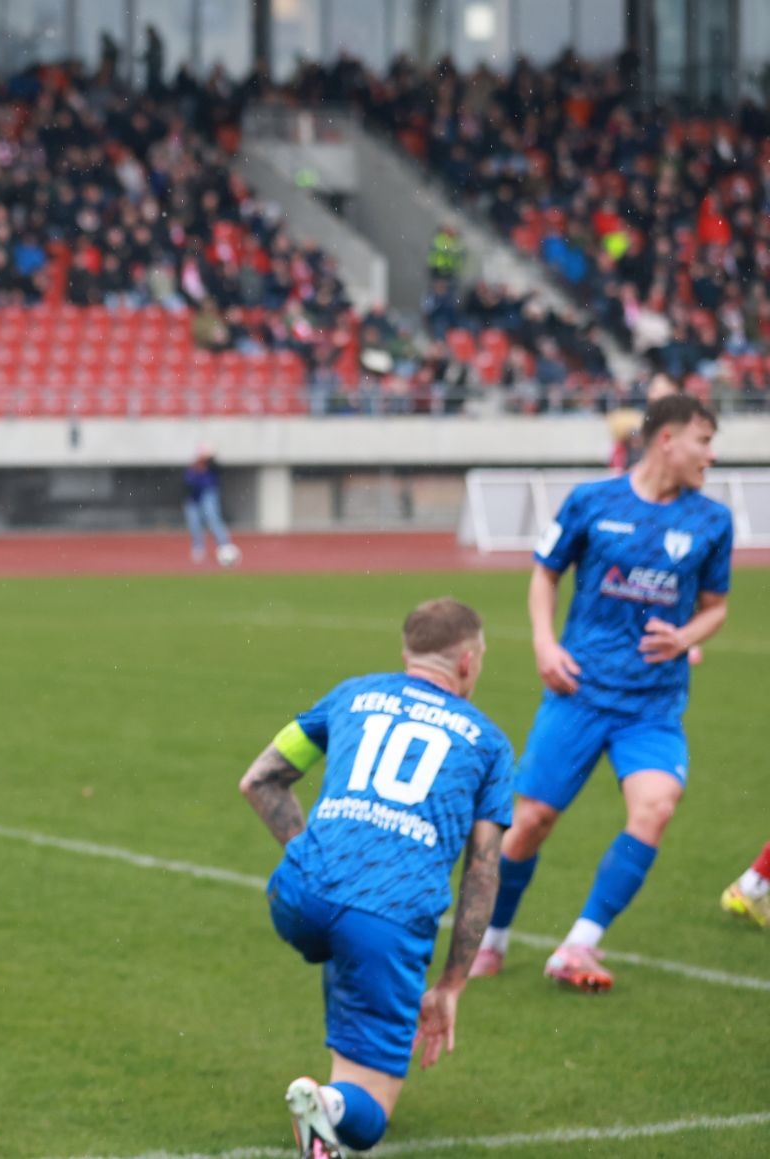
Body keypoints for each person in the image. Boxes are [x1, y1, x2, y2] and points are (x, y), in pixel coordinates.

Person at [473, 394, 732, 991]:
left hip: (653, 704)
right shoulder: (593, 501)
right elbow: (545, 571)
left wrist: (687, 634)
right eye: (703, 441)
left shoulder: (711, 521)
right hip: (580, 690)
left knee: (655, 808)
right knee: (531, 820)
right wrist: (543, 642)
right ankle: (493, 938)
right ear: (667, 439)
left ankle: (577, 946)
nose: (711, 457)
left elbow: (716, 608)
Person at [239, 598, 511, 1159]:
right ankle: (334, 1108)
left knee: (344, 935)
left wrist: (317, 859)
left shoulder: (352, 694)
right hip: (385, 919)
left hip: (296, 893)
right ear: (466, 662)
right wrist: (452, 984)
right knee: (370, 1114)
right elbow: (482, 871)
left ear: (406, 655)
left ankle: (325, 1114)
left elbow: (260, 780)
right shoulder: (489, 744)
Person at [184, 445, 238, 565]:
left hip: (208, 495)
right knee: (194, 524)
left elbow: (218, 472)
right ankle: (198, 548)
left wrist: (208, 461)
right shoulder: (193, 468)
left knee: (213, 519)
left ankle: (224, 545)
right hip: (194, 499)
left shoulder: (212, 466)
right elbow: (188, 482)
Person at [721, 840, 770, 929]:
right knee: (765, 917)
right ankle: (743, 905)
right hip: (757, 884)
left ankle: (741, 903)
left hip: (753, 879)